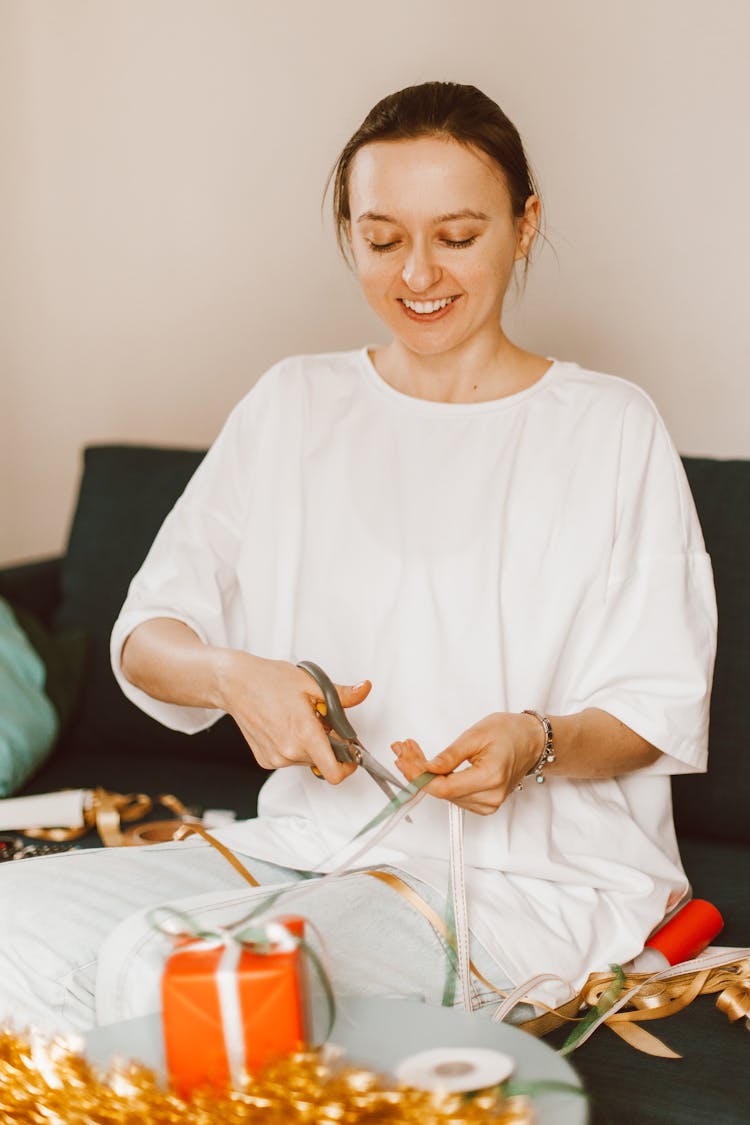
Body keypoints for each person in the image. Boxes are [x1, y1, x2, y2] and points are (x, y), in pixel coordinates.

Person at [0, 81, 716, 1034]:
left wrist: (533, 744)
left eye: (457, 236)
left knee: (172, 975)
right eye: (382, 239)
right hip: (308, 844)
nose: (417, 273)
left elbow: (654, 707)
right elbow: (146, 636)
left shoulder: (609, 427)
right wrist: (231, 675)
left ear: (524, 225)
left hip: (526, 884)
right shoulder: (293, 405)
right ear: (351, 233)